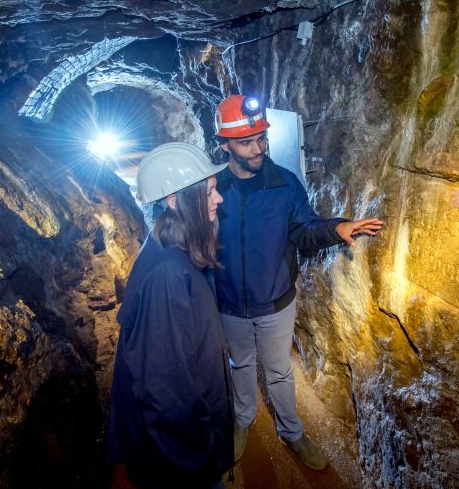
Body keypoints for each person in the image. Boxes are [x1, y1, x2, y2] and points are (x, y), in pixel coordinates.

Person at [213, 95, 384, 470]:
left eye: (261, 139)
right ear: (225, 144)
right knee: (240, 364)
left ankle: (291, 431)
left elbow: (305, 230)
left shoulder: (285, 184)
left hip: (275, 301)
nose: (258, 149)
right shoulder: (212, 188)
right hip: (227, 303)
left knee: (278, 370)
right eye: (246, 142)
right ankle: (242, 420)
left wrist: (335, 227)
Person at [107, 142, 233, 489]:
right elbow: (166, 392)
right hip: (183, 464)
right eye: (208, 191)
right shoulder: (168, 275)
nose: (218, 199)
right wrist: (201, 455)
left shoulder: (175, 249)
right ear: (176, 200)